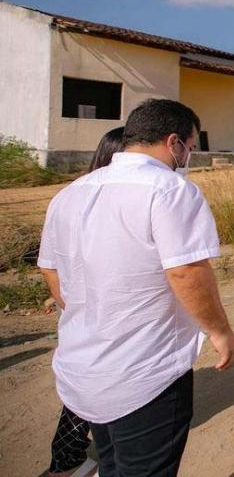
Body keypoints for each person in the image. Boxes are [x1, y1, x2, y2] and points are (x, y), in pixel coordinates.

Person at [38, 99, 234, 476]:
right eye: (190, 148)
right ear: (174, 141)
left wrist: (93, 311)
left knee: (112, 463)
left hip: (83, 367)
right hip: (146, 374)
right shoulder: (170, 189)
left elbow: (50, 271)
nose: (188, 157)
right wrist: (219, 330)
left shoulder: (70, 193)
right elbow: (187, 272)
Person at [46, 127, 126, 476]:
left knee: (87, 391)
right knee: (94, 396)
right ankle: (70, 459)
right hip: (103, 323)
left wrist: (75, 306)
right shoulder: (103, 203)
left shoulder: (72, 196)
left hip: (84, 321)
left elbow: (49, 267)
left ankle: (68, 458)